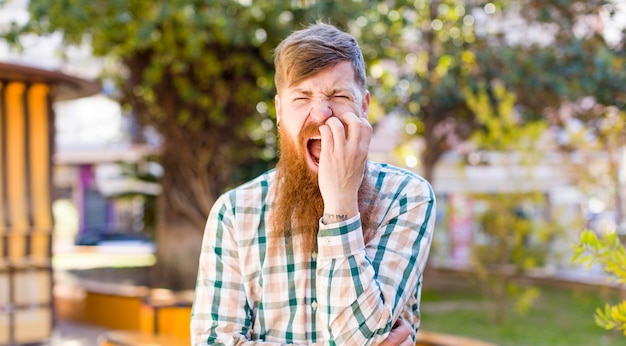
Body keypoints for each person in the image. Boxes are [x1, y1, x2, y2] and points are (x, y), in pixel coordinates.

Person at [191, 22, 436, 345]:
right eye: (302, 96)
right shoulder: (234, 213)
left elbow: (356, 338)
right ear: (279, 111)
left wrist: (340, 205)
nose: (321, 113)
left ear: (364, 106)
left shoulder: (407, 198)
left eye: (338, 95)